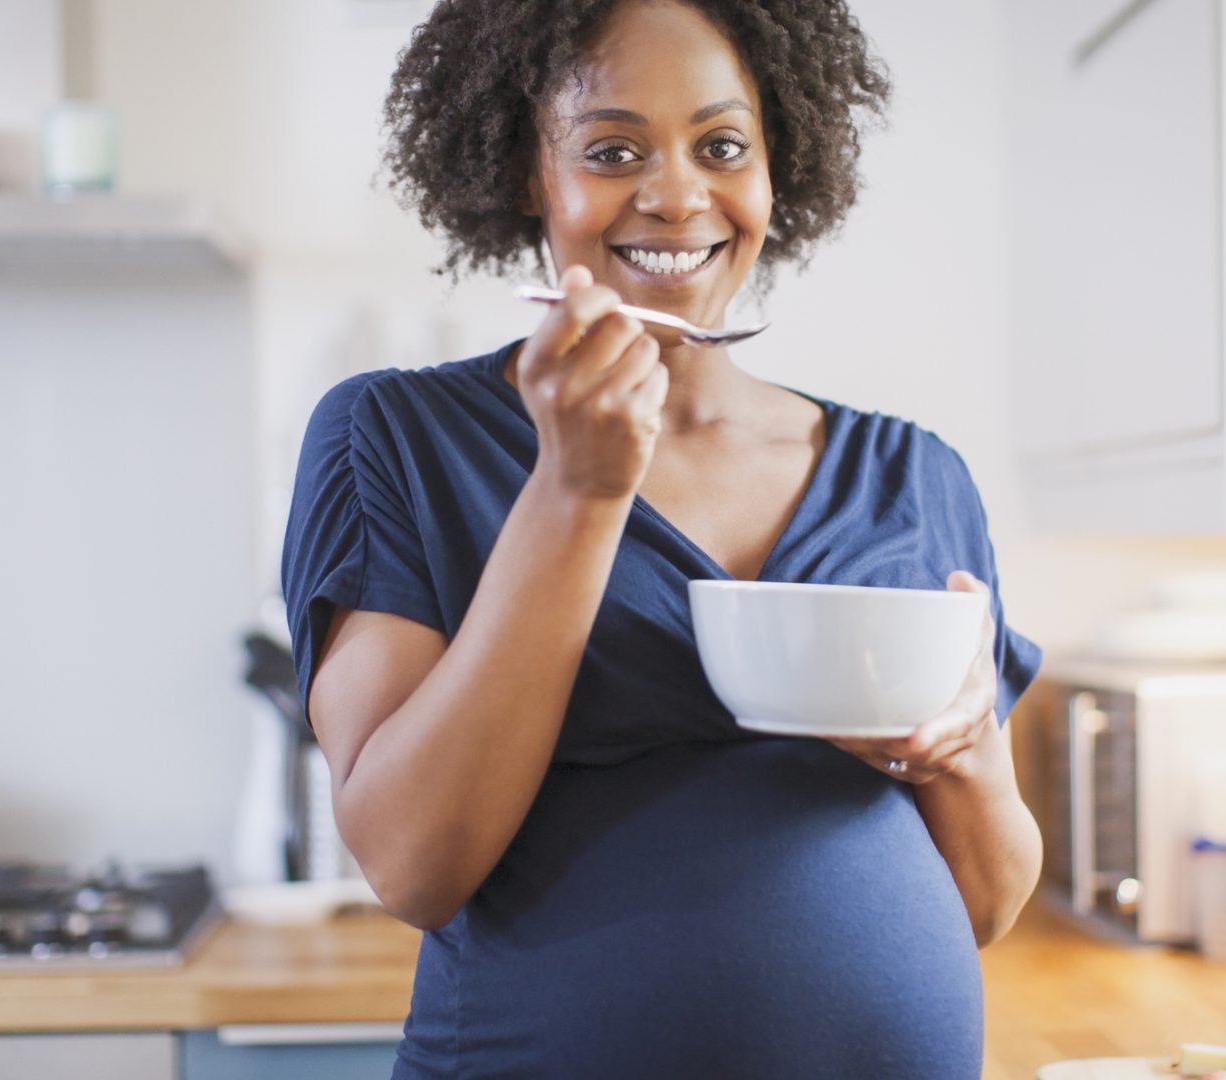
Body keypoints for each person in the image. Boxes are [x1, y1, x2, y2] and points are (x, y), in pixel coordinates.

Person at [281, 0, 1044, 1074]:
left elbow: (987, 899)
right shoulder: (400, 438)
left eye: (722, 146)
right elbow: (412, 864)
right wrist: (576, 493)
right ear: (523, 171)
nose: (678, 194)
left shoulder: (914, 476)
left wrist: (961, 752)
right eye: (611, 149)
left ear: (779, 169)